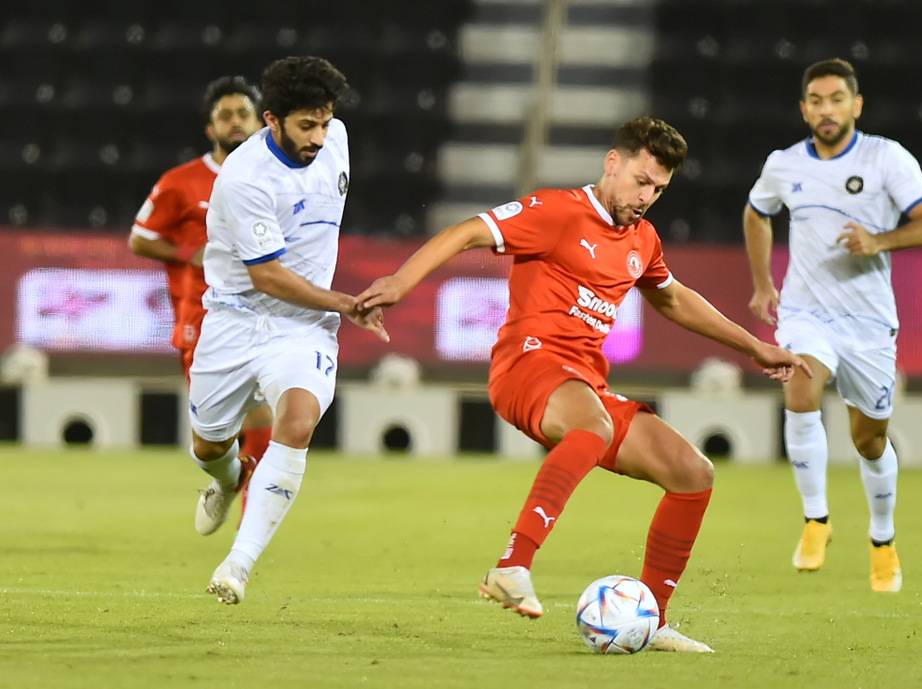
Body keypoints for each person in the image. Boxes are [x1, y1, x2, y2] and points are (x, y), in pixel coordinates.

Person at [355, 116, 811, 652]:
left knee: (693, 473)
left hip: (583, 382)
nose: (647, 196)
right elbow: (468, 231)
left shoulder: (643, 239)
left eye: (659, 189)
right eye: (641, 180)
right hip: (527, 366)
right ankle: (512, 565)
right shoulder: (557, 210)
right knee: (591, 426)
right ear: (612, 163)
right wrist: (400, 282)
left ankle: (655, 618)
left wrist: (755, 346)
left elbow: (674, 298)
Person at [742, 58, 922, 593]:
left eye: (836, 99)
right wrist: (764, 283)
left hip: (868, 322)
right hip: (806, 313)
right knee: (800, 392)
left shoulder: (886, 158)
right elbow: (756, 211)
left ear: (856, 106)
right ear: (804, 109)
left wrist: (879, 240)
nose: (826, 109)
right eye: (816, 100)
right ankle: (816, 519)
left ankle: (882, 539)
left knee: (870, 441)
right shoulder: (784, 164)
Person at [188, 56, 388, 604]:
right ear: (270, 120)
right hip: (234, 319)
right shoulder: (244, 179)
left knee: (297, 422)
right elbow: (269, 276)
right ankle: (228, 478)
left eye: (325, 122)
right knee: (207, 446)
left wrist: (332, 309)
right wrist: (348, 302)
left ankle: (238, 565)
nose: (320, 137)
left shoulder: (337, 140)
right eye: (307, 125)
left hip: (304, 326)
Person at [129, 76, 274, 486]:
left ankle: (251, 524)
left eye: (243, 113)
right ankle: (227, 480)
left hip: (261, 316)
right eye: (225, 115)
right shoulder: (180, 182)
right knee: (213, 439)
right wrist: (187, 254)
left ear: (260, 122)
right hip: (202, 317)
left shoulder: (275, 179)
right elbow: (140, 238)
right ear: (210, 129)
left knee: (266, 421)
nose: (235, 122)